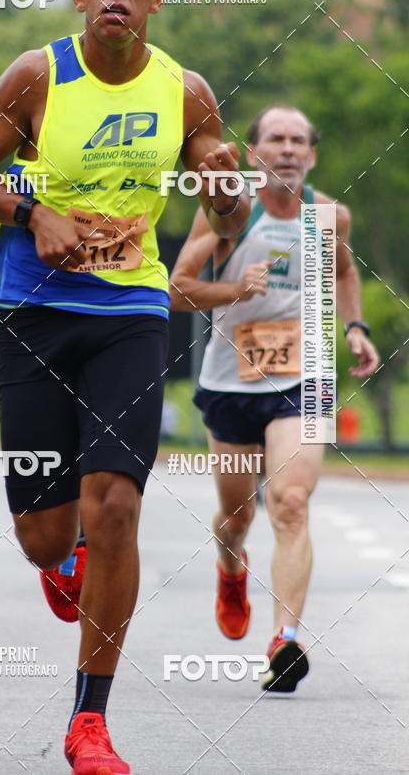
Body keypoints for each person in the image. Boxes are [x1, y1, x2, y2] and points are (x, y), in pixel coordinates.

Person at [0, 0, 249, 775]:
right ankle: (60, 556)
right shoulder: (39, 76)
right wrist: (29, 212)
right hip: (36, 312)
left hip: (132, 312)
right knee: (45, 536)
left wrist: (225, 191)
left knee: (115, 504)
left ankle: (90, 723)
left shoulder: (185, 92)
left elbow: (225, 219)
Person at [170, 104, 379, 693]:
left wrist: (355, 328)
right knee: (238, 516)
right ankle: (230, 567)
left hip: (305, 377)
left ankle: (284, 639)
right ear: (255, 151)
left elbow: (342, 273)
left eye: (298, 141)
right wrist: (235, 288)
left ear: (311, 155)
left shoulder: (330, 216)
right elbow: (177, 289)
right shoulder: (227, 214)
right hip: (231, 383)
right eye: (275, 140)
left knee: (289, 501)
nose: (287, 149)